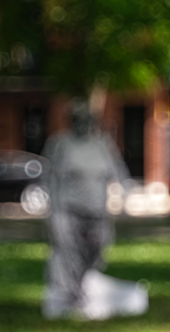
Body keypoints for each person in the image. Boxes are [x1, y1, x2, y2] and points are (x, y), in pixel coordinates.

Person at [42, 98, 128, 319]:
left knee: (98, 249)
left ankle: (82, 288)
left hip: (98, 211)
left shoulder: (101, 144)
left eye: (85, 119)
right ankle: (71, 297)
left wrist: (125, 195)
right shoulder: (60, 144)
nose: (81, 123)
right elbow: (49, 179)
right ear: (71, 121)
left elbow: (118, 172)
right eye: (77, 119)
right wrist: (54, 212)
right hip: (69, 210)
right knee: (69, 253)